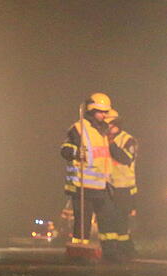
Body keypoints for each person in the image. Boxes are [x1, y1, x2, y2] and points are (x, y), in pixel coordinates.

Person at [59, 92, 116, 258]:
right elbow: (64, 150)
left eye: (106, 112)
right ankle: (79, 251)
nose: (104, 115)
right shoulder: (78, 129)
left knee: (107, 220)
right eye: (101, 112)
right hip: (83, 185)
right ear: (91, 110)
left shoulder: (103, 130)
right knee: (82, 222)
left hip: (102, 185)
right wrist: (77, 152)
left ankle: (110, 251)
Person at [106, 109, 138, 259]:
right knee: (109, 220)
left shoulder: (128, 140)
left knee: (121, 220)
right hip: (108, 185)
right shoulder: (103, 139)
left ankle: (126, 249)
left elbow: (126, 158)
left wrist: (111, 144)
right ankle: (113, 250)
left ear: (115, 124)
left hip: (124, 187)